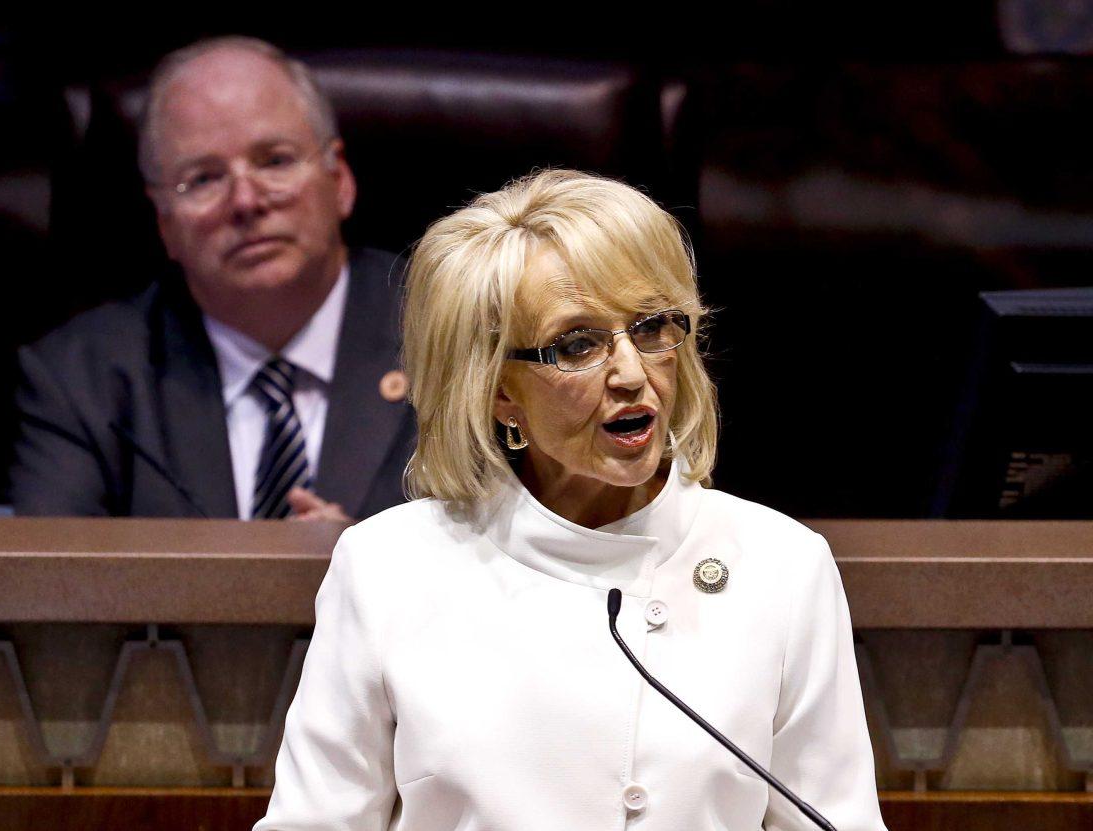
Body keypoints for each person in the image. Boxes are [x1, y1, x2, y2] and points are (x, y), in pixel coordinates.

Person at [255, 170, 886, 829]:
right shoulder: (388, 567)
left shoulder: (782, 566)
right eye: (578, 343)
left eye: (649, 327)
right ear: (499, 390)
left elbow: (836, 818)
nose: (632, 373)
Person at [9, 37, 414, 521]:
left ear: (340, 180)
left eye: (275, 161)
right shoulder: (82, 381)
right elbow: (54, 588)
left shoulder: (463, 338)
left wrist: (370, 574)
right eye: (203, 179)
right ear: (165, 224)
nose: (245, 201)